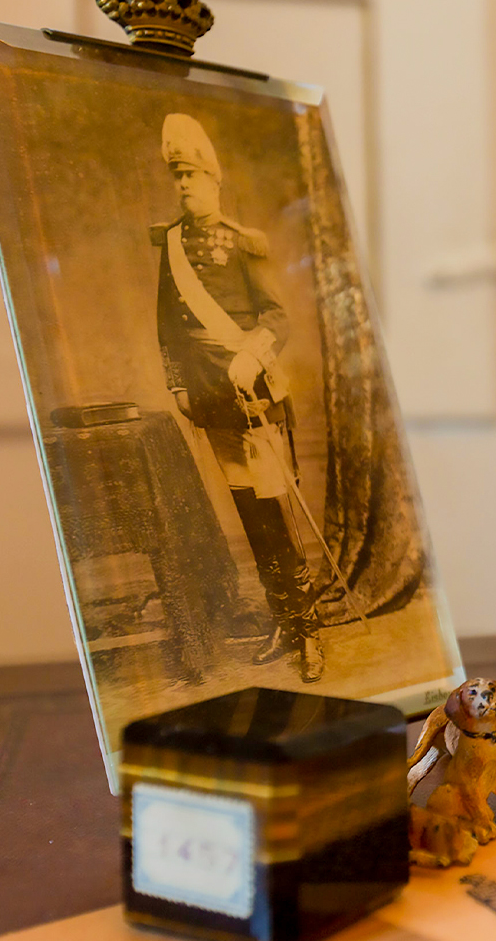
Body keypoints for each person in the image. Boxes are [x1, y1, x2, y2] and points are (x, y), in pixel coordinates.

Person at [152, 112, 323, 683]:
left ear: (214, 180)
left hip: (256, 399)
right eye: (177, 177)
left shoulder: (244, 243)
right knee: (250, 517)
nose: (184, 186)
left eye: (193, 176)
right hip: (211, 401)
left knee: (277, 514)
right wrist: (179, 382)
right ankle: (282, 620)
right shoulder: (170, 244)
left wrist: (251, 355)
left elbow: (277, 316)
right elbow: (167, 326)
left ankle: (309, 632)